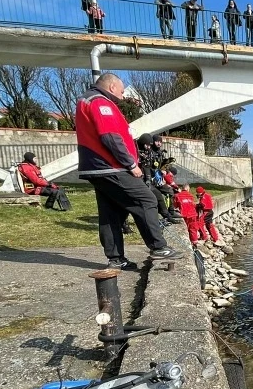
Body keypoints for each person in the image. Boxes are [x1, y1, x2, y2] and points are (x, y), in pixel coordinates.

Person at [75, 72, 182, 270]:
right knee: (147, 199)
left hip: (98, 168)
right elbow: (110, 137)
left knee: (111, 213)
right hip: (110, 166)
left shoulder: (87, 100)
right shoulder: (100, 102)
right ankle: (158, 247)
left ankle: (116, 259)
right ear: (112, 86)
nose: (123, 96)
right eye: (122, 91)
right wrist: (131, 165)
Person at [136, 133, 180, 225]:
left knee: (169, 191)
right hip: (146, 179)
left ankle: (170, 213)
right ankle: (164, 215)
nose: (159, 143)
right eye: (157, 141)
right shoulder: (145, 152)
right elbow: (148, 167)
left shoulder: (158, 152)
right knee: (156, 197)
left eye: (160, 142)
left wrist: (166, 164)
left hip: (155, 179)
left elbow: (158, 166)